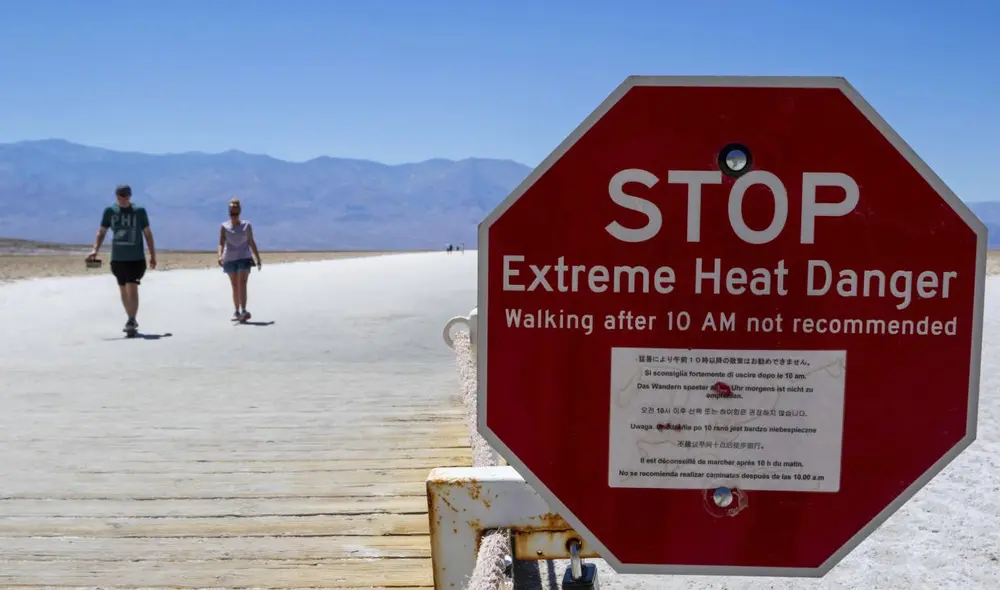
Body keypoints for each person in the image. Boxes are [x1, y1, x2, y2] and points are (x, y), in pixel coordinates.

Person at [86, 184, 157, 333]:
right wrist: (95, 250)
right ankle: (130, 317)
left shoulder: (139, 211)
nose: (124, 199)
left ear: (130, 196)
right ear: (116, 196)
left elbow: (148, 234)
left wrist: (152, 254)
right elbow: (102, 231)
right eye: (120, 197)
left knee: (132, 286)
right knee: (123, 288)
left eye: (126, 196)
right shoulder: (110, 211)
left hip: (136, 257)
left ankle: (131, 319)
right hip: (118, 258)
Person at [218, 198, 261, 321]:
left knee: (242, 282)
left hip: (244, 257)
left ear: (240, 211)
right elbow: (221, 242)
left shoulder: (246, 226)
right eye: (232, 211)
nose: (234, 214)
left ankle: (243, 310)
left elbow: (251, 242)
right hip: (230, 258)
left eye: (236, 211)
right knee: (235, 285)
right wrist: (219, 256)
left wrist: (257, 258)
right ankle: (237, 311)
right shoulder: (224, 227)